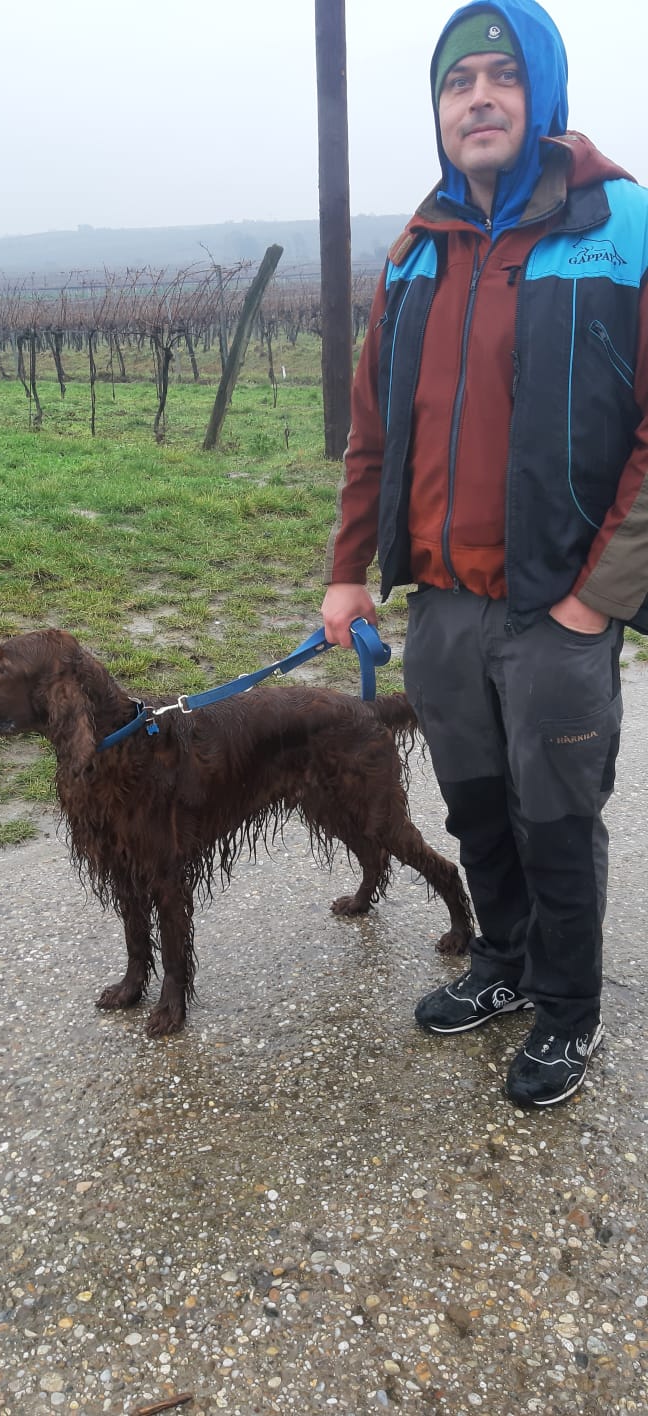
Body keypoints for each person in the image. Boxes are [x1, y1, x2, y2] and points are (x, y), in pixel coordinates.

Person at [321, 0, 648, 1108]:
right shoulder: (416, 252)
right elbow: (373, 432)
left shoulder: (621, 224)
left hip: (559, 603)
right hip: (443, 606)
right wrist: (348, 568)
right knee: (474, 805)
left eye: (502, 76)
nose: (478, 98)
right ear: (438, 110)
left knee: (556, 816)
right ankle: (503, 963)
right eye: (457, 83)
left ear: (540, 92)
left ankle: (567, 1010)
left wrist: (597, 598)